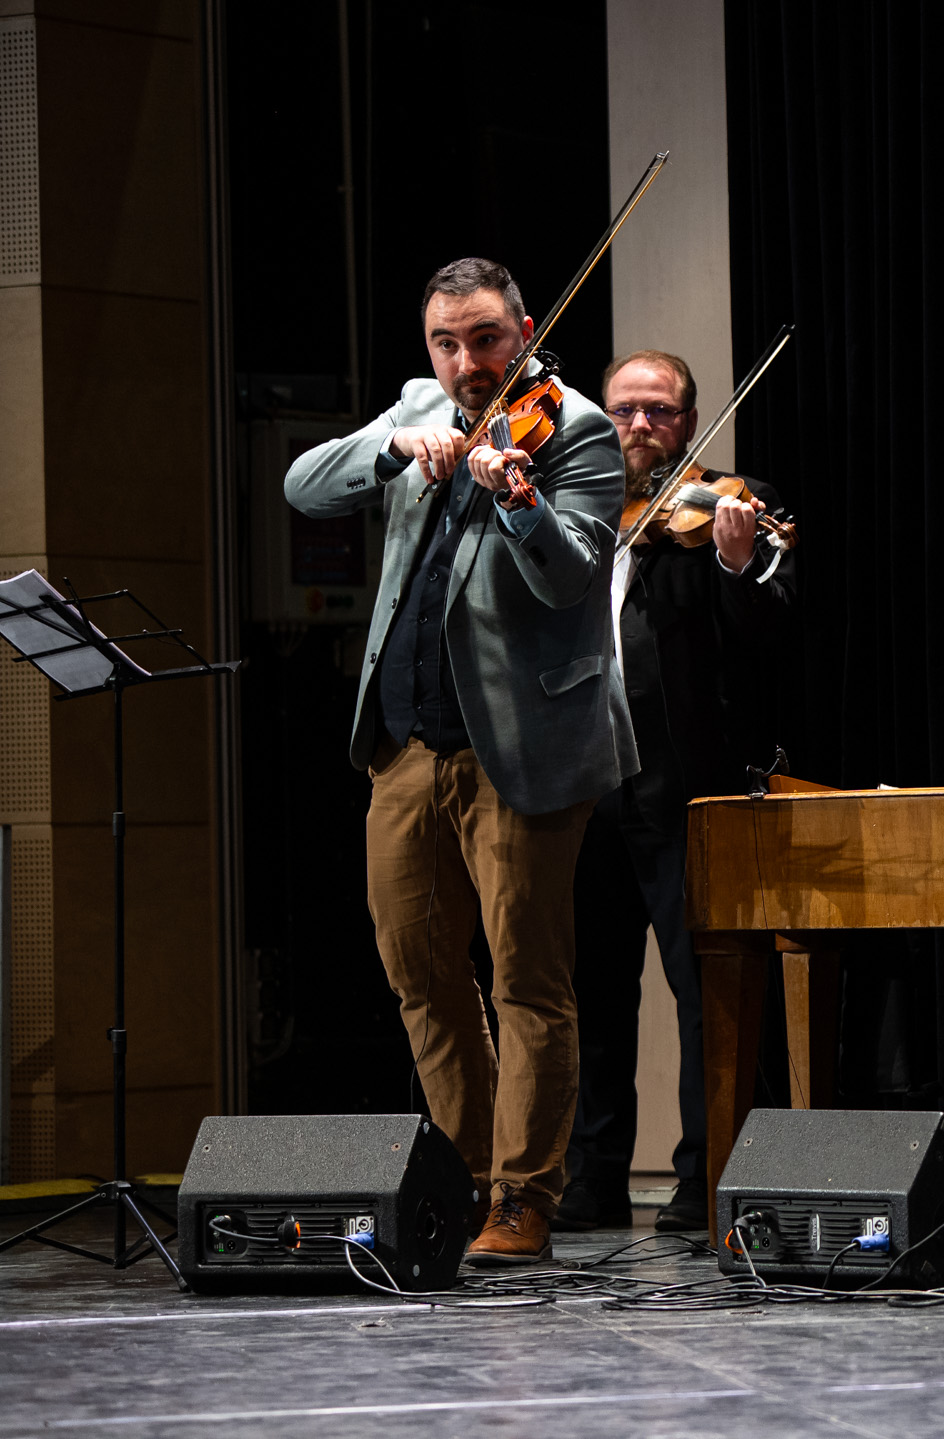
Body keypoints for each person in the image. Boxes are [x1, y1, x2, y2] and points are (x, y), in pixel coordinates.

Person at [285, 257, 636, 1265]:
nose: (467, 361)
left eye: (485, 339)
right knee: (420, 974)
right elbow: (303, 484)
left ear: (523, 330)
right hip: (403, 745)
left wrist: (517, 495)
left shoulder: (577, 431)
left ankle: (525, 1195)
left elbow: (573, 576)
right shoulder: (417, 409)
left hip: (517, 749)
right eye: (447, 342)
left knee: (527, 979)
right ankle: (469, 1176)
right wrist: (397, 447)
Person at [555, 349, 797, 1234]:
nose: (639, 426)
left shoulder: (728, 505)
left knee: (706, 993)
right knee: (593, 995)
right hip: (585, 787)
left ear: (690, 422)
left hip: (684, 787)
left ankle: (706, 1178)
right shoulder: (576, 513)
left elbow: (770, 634)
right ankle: (591, 1181)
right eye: (624, 409)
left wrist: (736, 561)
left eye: (659, 410)